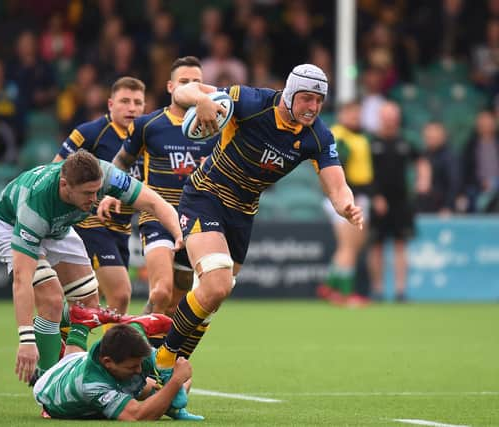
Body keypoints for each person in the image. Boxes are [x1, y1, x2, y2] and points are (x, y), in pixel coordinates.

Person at [152, 64, 364, 371]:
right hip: (205, 196)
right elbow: (185, 91)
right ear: (290, 94)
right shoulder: (250, 102)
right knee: (216, 285)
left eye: (319, 101)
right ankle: (163, 360)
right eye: (306, 98)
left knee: (213, 299)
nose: (313, 107)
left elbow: (338, 186)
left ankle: (170, 371)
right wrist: (201, 100)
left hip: (243, 212)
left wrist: (346, 206)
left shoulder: (318, 136)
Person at [0, 150, 183, 384]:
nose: (94, 198)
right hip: (11, 226)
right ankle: (48, 384)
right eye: (88, 193)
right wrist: (26, 340)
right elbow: (22, 279)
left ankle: (69, 369)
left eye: (97, 191)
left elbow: (153, 201)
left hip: (59, 228)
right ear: (64, 185)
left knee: (88, 304)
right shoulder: (34, 205)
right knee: (51, 300)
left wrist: (179, 234)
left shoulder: (106, 174)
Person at [112, 57, 218, 354]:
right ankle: (137, 353)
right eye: (184, 82)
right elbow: (121, 163)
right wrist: (109, 192)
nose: (190, 87)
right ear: (171, 87)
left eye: (197, 82)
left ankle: (149, 355)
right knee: (161, 291)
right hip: (157, 215)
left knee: (175, 307)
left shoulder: (214, 128)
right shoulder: (149, 125)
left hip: (196, 221)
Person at [53, 77, 146, 316]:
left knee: (91, 301)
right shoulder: (90, 133)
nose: (132, 108)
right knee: (121, 294)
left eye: (138, 102)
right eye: (125, 101)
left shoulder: (146, 138)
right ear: (110, 104)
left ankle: (62, 337)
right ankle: (112, 353)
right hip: (91, 224)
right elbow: (55, 172)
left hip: (122, 229)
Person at [34, 304, 203, 421]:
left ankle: (83, 324)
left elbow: (169, 372)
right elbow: (138, 415)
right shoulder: (91, 385)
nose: (138, 370)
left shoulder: (122, 353)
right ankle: (76, 327)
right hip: (49, 392)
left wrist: (170, 373)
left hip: (79, 362)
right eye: (132, 366)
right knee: (153, 390)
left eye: (139, 364)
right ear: (107, 362)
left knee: (152, 388)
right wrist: (174, 382)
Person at [368, 101, 430, 302]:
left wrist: (423, 181)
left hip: (401, 201)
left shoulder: (406, 141)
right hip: (376, 200)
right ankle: (377, 290)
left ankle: (400, 291)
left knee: (400, 245)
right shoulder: (370, 142)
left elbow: (421, 161)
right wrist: (375, 196)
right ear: (380, 118)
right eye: (386, 117)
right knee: (376, 245)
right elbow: (364, 173)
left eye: (393, 117)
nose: (390, 121)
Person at [317, 101, 373, 307]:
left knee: (353, 245)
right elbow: (335, 168)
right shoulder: (338, 136)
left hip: (360, 194)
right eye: (351, 113)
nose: (355, 117)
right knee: (348, 246)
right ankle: (345, 294)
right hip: (348, 197)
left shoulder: (359, 136)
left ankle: (329, 286)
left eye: (357, 113)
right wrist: (346, 198)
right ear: (342, 114)